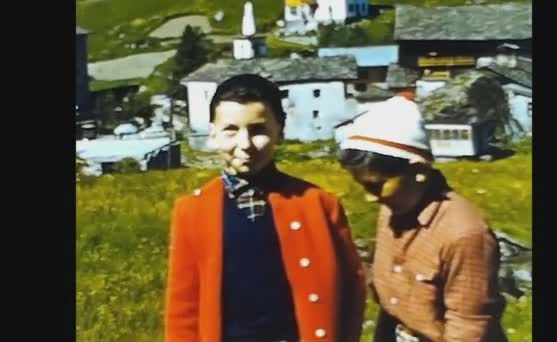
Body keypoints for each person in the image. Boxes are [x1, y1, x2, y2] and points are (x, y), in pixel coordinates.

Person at [164, 74, 366, 342]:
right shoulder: (191, 211)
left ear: (279, 132)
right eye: (231, 130)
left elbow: (351, 289)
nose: (245, 144)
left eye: (258, 130)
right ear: (213, 134)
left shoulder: (317, 204)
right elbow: (183, 307)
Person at [337, 95, 507, 342]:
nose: (370, 199)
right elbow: (390, 304)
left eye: (377, 186)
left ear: (418, 171)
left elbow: (468, 329)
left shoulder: (464, 234)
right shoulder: (391, 211)